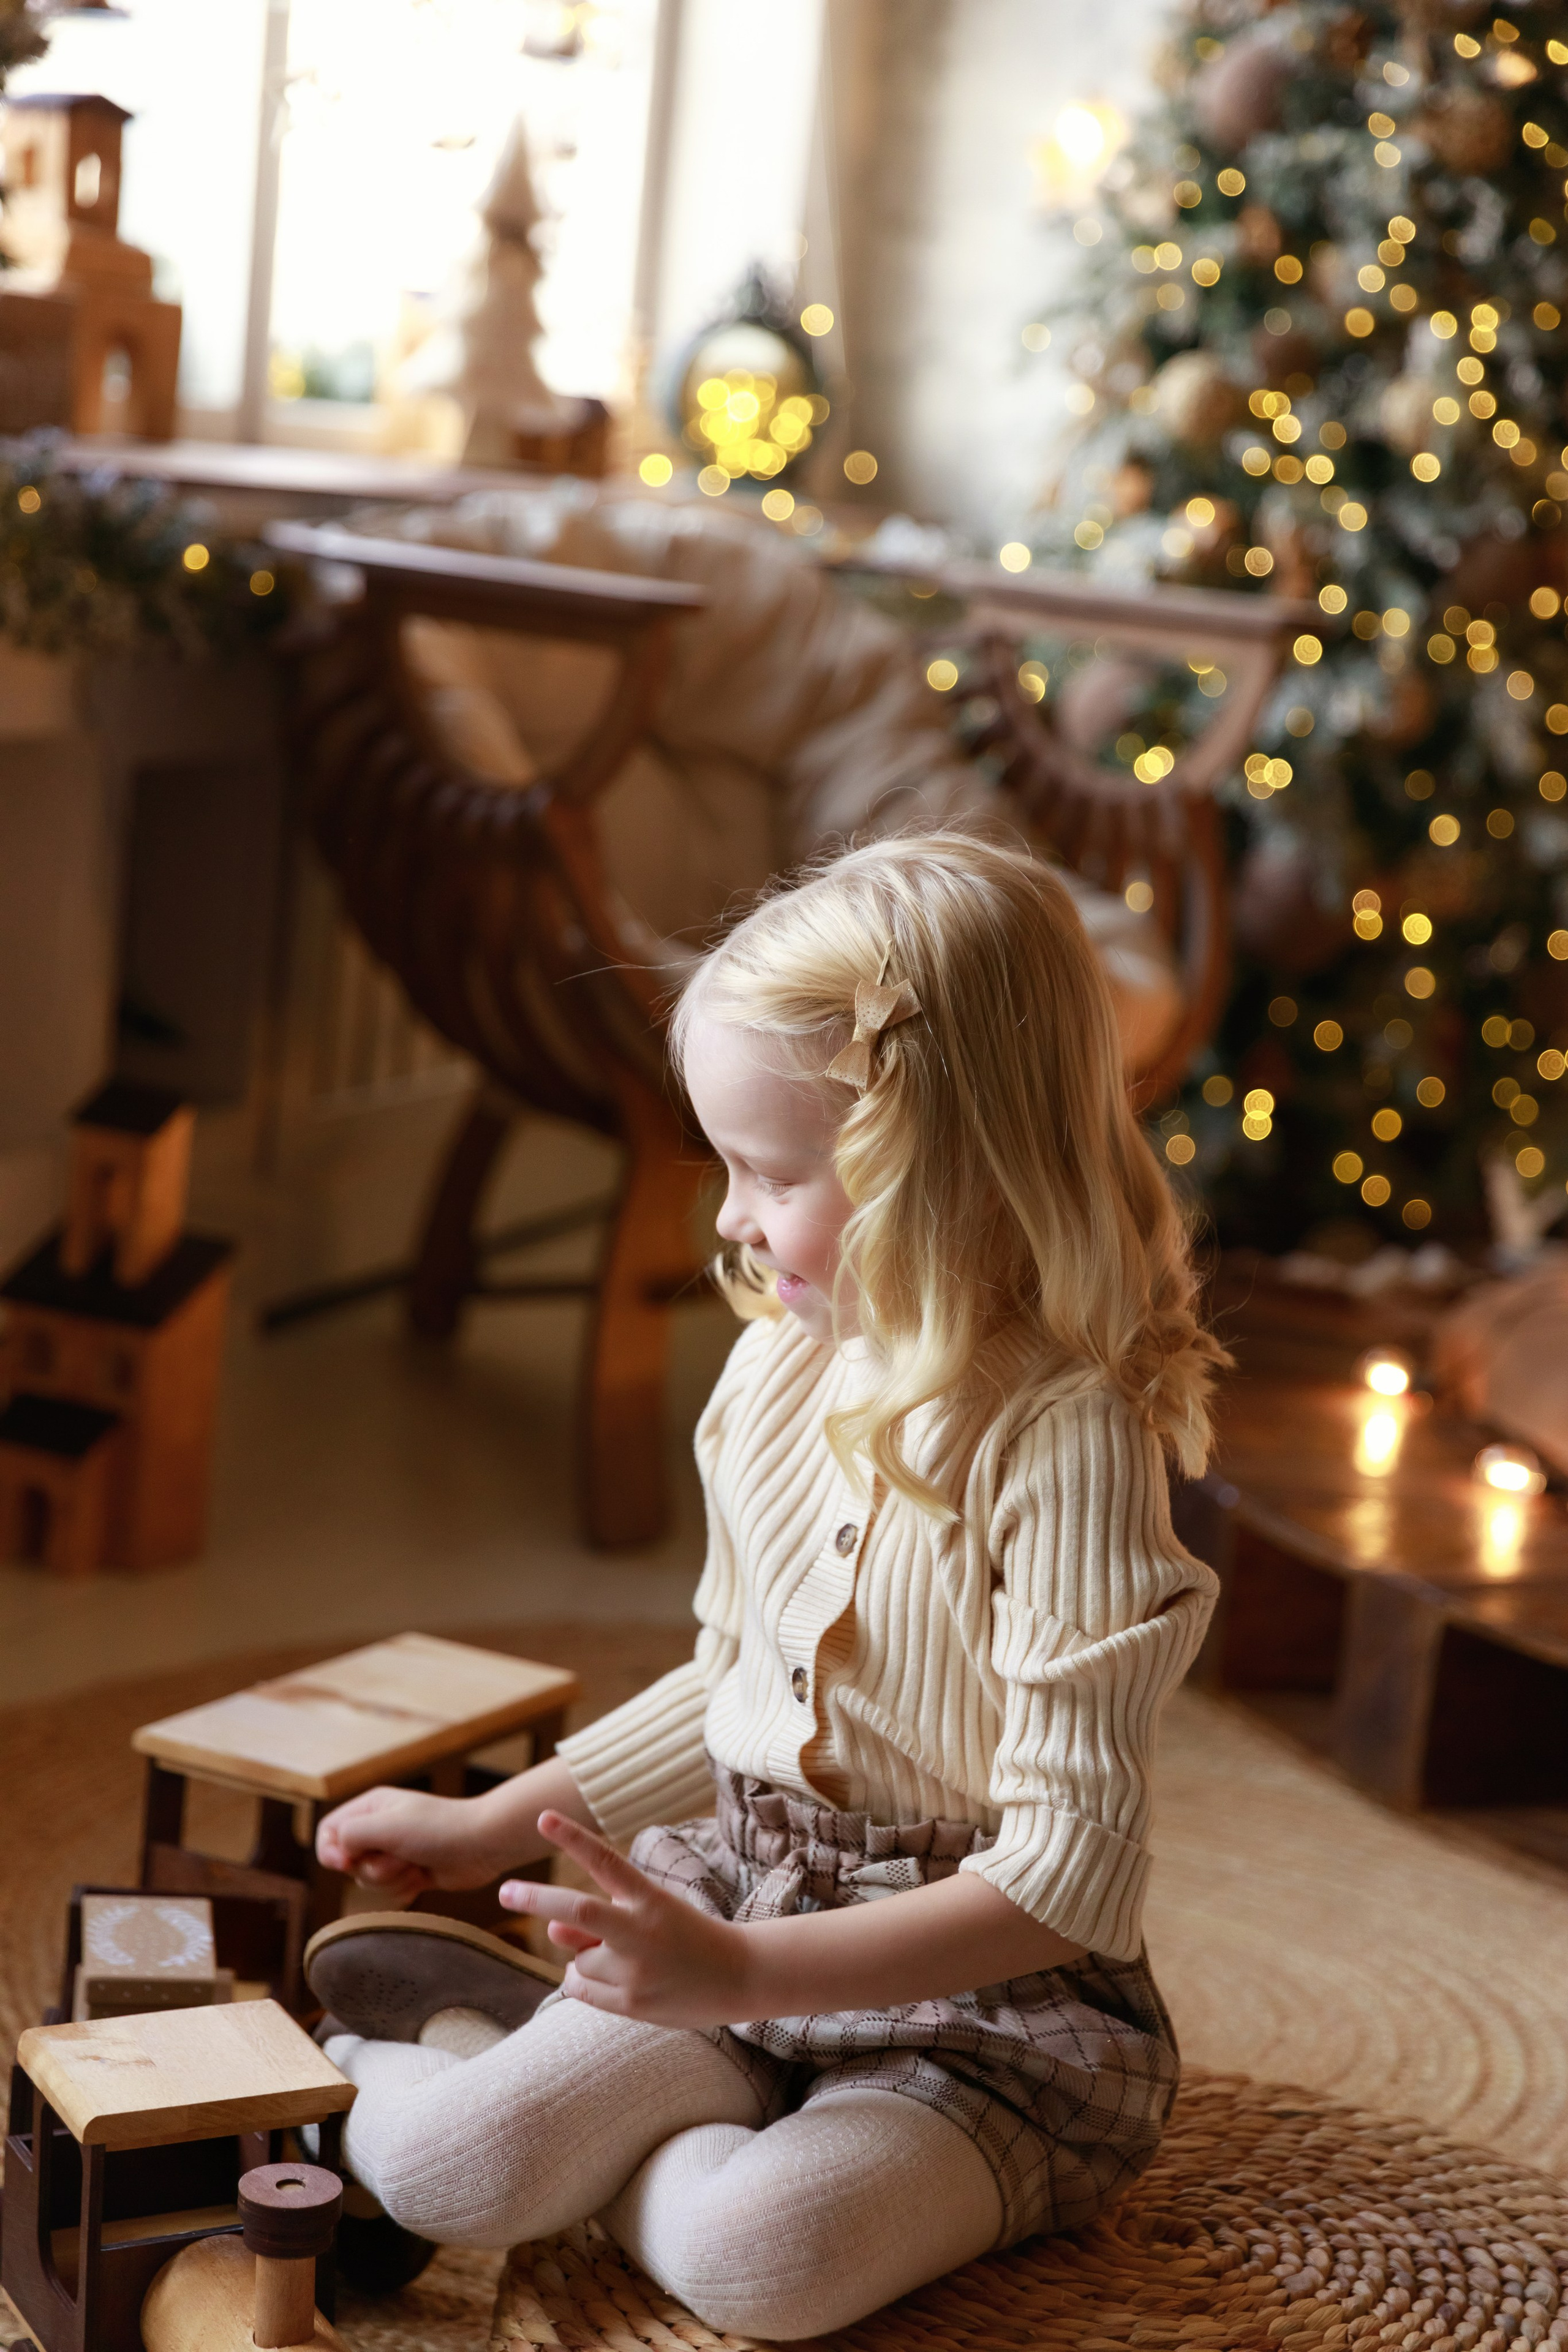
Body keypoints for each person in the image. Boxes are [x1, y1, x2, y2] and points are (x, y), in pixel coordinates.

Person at [308, 829, 1226, 2342]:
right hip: (747, 1894)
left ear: (941, 1173)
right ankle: (416, 2072)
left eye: (771, 1173)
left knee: (762, 2263)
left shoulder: (1068, 1442)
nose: (729, 1218)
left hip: (977, 2014)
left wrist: (734, 1975)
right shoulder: (772, 1373)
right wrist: (488, 1826)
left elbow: (1068, 1877)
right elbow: (728, 1690)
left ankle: (572, 2112)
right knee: (439, 2167)